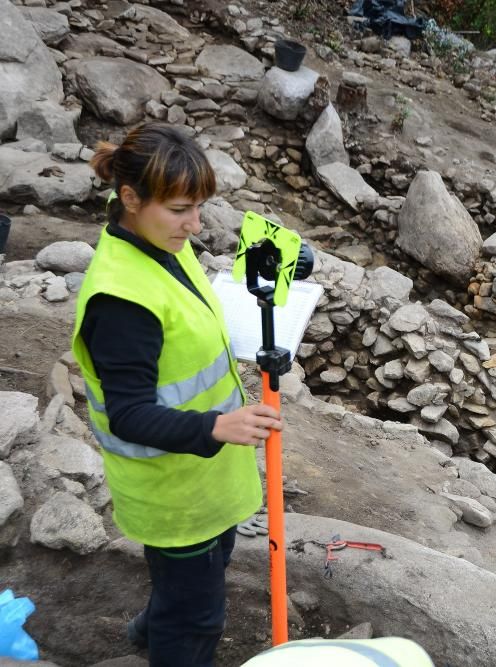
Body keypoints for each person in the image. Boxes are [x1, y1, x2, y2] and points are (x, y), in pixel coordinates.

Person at [71, 123, 283, 667]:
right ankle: (165, 641)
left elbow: (190, 323)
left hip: (203, 480)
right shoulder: (121, 301)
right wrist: (217, 427)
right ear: (130, 199)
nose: (195, 225)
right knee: (196, 618)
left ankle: (147, 630)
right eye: (181, 209)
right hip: (173, 493)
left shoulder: (161, 244)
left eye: (199, 207)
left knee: (192, 581)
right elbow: (128, 414)